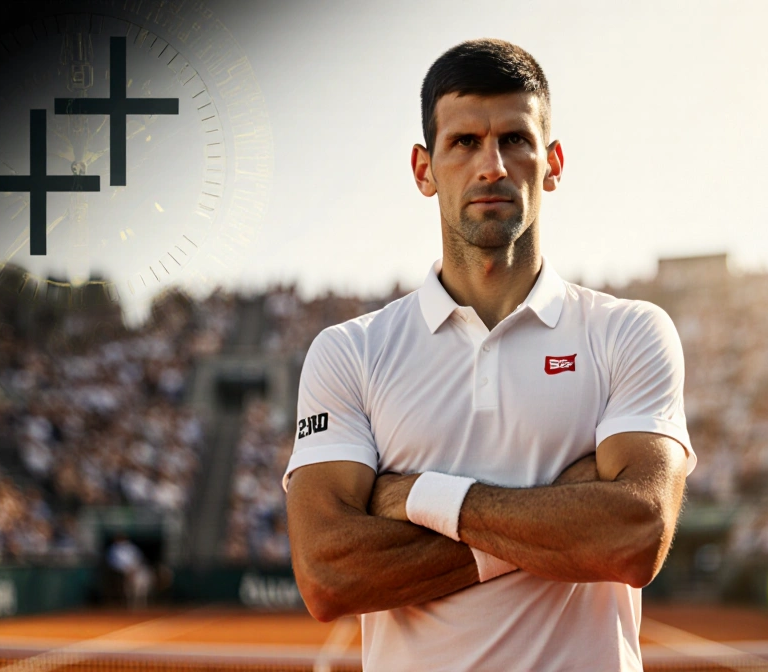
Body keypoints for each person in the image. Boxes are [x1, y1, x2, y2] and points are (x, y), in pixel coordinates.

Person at [283, 39, 695, 672]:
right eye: (464, 142)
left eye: (515, 140)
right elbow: (328, 574)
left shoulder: (629, 331)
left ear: (552, 162)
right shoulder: (350, 352)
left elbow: (635, 535)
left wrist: (421, 496)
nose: (492, 166)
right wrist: (563, 515)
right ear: (424, 169)